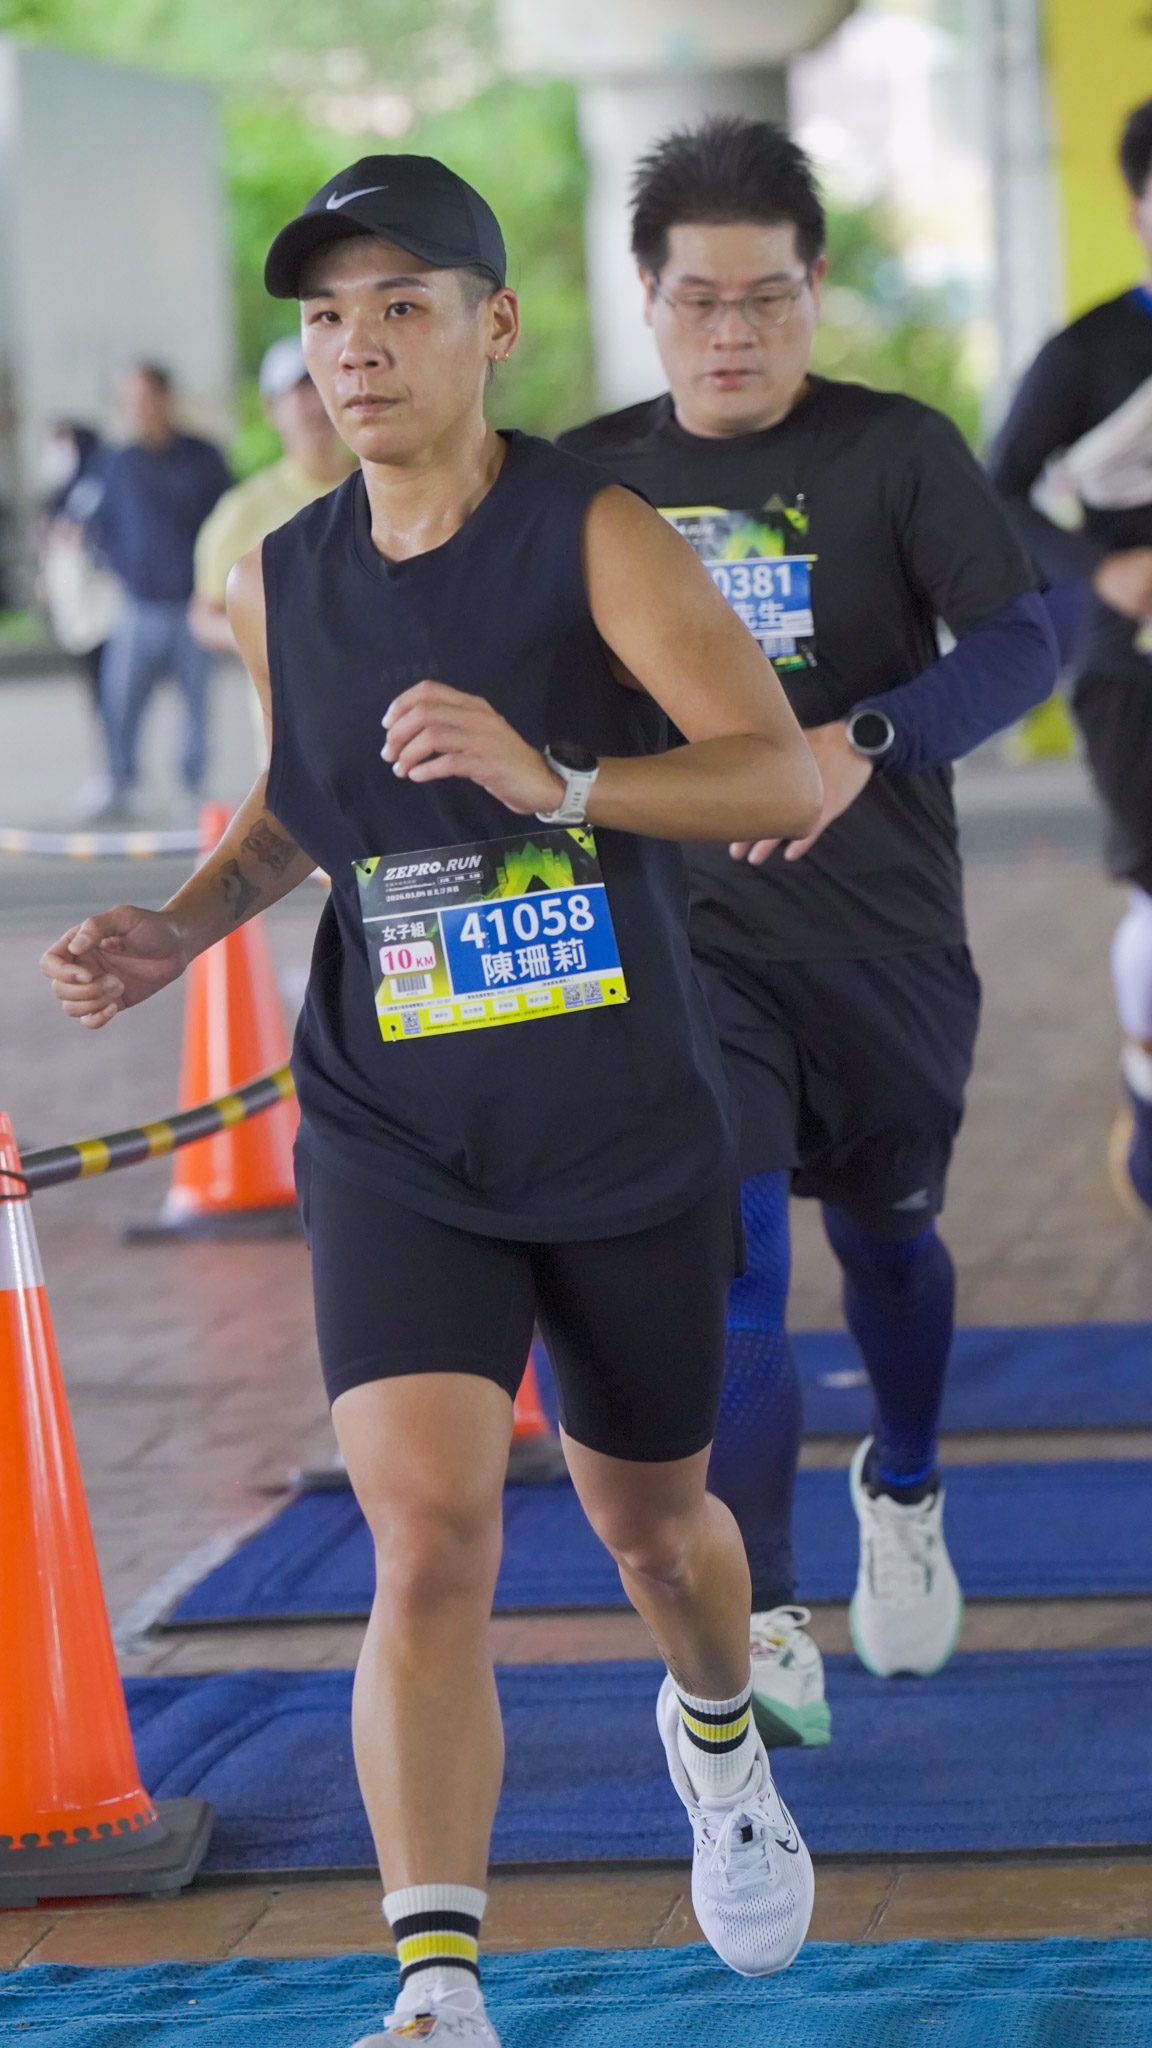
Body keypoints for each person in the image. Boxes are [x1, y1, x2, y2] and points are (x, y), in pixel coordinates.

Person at [41, 155, 824, 2048]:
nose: (358, 349)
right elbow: (301, 795)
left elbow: (776, 775)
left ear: (495, 325)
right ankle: (436, 1979)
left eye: (403, 305)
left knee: (660, 1535)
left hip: (617, 1118)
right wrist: (183, 923)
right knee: (427, 1531)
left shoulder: (596, 532)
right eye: (328, 317)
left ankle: (719, 1734)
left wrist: (562, 780)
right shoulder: (277, 573)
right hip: (396, 1123)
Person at [559, 118, 1058, 1743]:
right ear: (646, 296)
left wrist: (861, 742)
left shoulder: (894, 451)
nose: (733, 332)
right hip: (691, 941)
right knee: (740, 1273)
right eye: (699, 299)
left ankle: (902, 1485)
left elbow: (1022, 643)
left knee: (892, 1243)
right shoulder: (586, 480)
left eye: (766, 296)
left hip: (885, 931)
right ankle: (764, 1609)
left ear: (814, 288)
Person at [990, 98, 1152, 1220]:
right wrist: (1102, 570)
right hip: (1131, 668)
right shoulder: (1089, 350)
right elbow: (997, 488)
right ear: (1138, 210)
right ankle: (1148, 1103)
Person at [87, 363, 230, 817]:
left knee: (196, 703)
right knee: (119, 700)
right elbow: (101, 525)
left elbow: (226, 523)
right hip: (138, 605)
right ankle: (118, 781)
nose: (141, 408)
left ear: (167, 400)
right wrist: (121, 568)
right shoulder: (118, 463)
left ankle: (191, 784)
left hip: (192, 604)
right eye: (132, 400)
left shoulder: (203, 458)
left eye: (148, 397)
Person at [189, 335, 354, 658]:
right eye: (302, 390)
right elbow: (204, 615)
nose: (317, 402)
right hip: (290, 689)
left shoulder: (386, 488)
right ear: (271, 408)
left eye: (324, 385)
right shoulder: (243, 509)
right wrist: (269, 640)